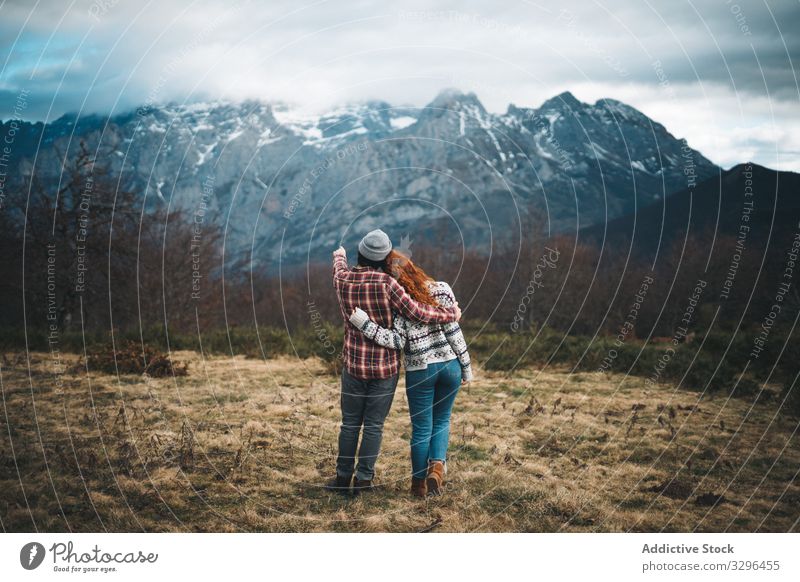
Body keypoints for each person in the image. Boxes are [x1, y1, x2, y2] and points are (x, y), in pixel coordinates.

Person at [327, 229, 461, 496]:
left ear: (361, 255)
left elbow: (338, 266)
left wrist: (339, 255)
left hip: (353, 365)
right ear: (385, 258)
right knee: (374, 426)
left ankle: (342, 478)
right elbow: (417, 311)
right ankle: (364, 480)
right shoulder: (388, 285)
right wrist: (450, 314)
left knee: (350, 423)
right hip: (384, 369)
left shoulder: (342, 279)